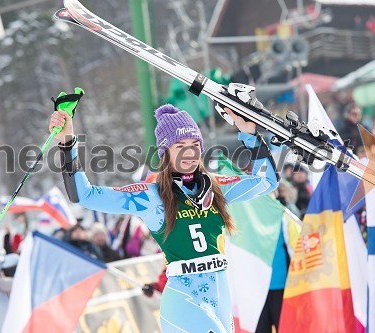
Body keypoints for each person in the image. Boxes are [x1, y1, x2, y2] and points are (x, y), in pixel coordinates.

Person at [49, 103, 279, 332]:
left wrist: (249, 134)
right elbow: (85, 195)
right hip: (184, 302)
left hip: (220, 298)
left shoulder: (217, 187)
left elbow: (268, 181)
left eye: (194, 145)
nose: (190, 153)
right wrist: (67, 141)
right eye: (180, 146)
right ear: (165, 152)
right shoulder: (151, 196)